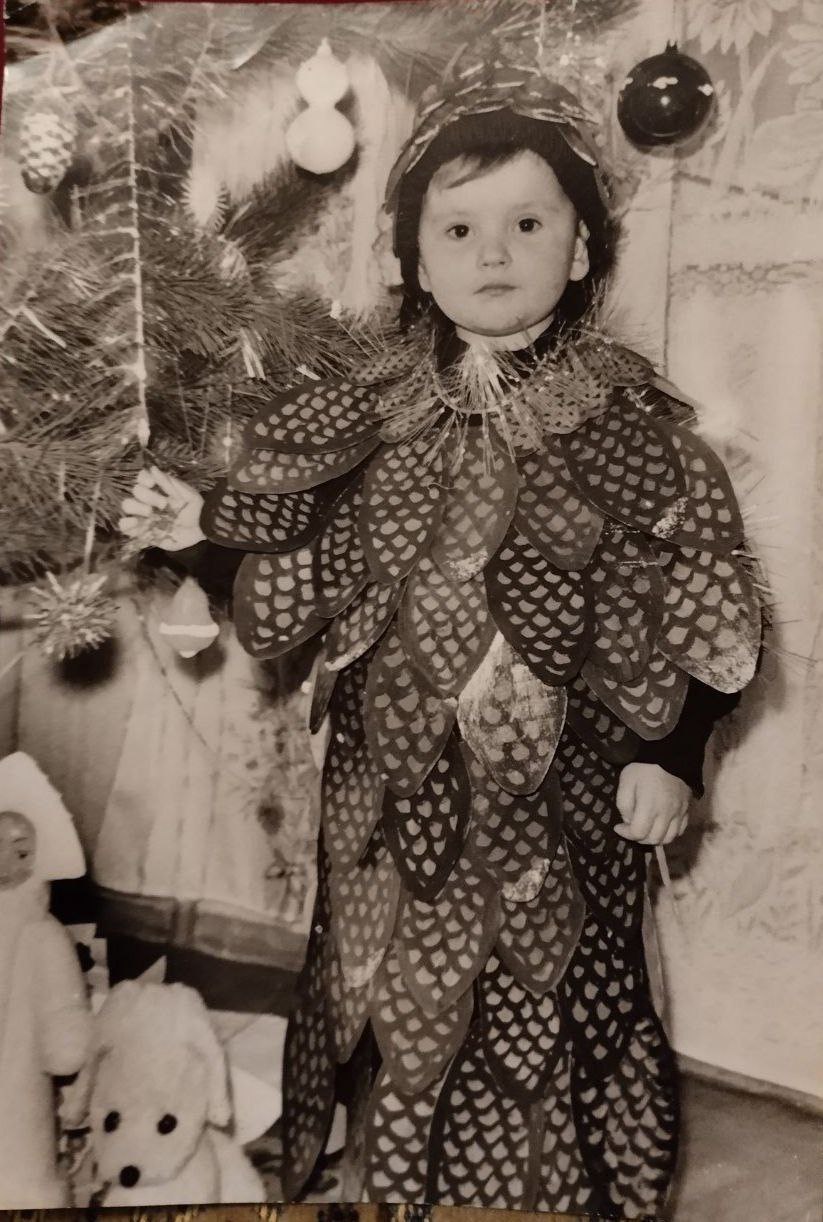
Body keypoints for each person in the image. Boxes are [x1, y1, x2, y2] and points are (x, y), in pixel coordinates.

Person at [120, 53, 762, 1221]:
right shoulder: (370, 419)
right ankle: (399, 1178)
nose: (493, 252)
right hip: (386, 794)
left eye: (527, 223)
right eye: (458, 229)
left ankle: (552, 1190)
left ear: (580, 249)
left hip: (565, 807)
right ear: (416, 260)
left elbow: (703, 606)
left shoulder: (635, 432)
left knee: (556, 992)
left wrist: (670, 754)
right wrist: (197, 537)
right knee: (390, 992)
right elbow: (306, 574)